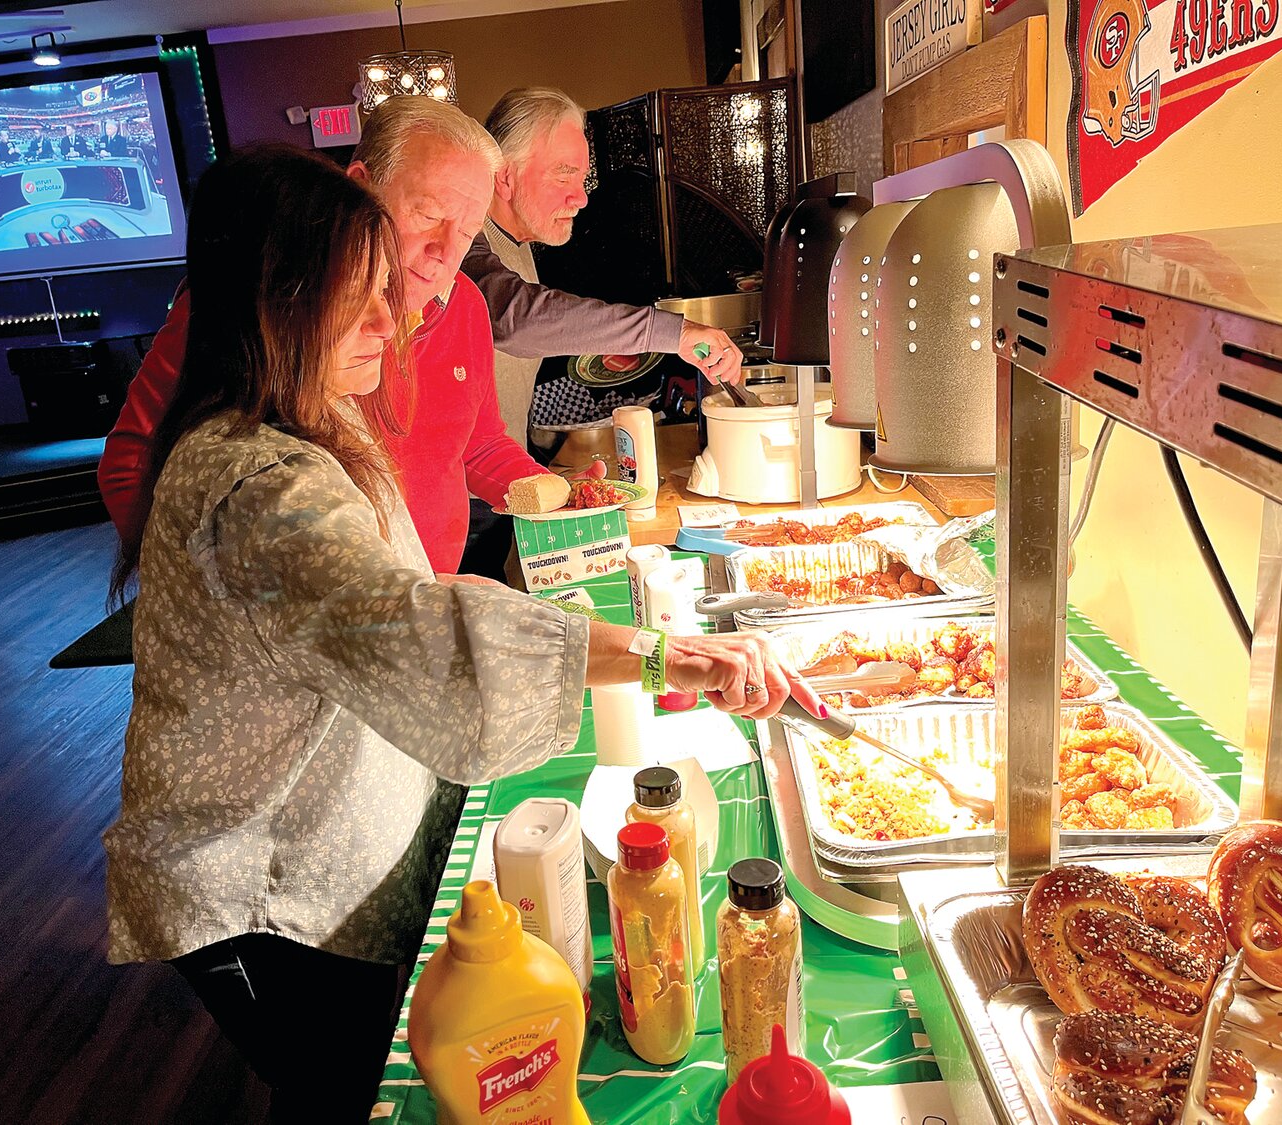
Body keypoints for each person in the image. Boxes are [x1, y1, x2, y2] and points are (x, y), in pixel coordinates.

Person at [103, 142, 820, 1124]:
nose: (392, 319)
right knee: (346, 1086)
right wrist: (664, 655)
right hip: (257, 887)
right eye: (359, 298)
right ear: (269, 303)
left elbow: (414, 592)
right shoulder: (258, 485)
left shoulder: (311, 416)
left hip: (331, 816)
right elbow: (425, 634)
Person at [99, 97, 587, 578]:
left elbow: (479, 446)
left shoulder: (465, 305)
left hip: (424, 604)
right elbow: (130, 467)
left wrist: (562, 496)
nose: (443, 252)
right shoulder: (262, 307)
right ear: (360, 190)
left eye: (466, 232)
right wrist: (212, 590)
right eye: (428, 215)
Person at [464, 86, 744, 451]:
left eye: (582, 178)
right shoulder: (466, 235)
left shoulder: (520, 239)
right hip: (465, 500)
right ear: (504, 176)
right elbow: (515, 318)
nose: (580, 198)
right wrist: (674, 334)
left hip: (505, 477)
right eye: (563, 176)